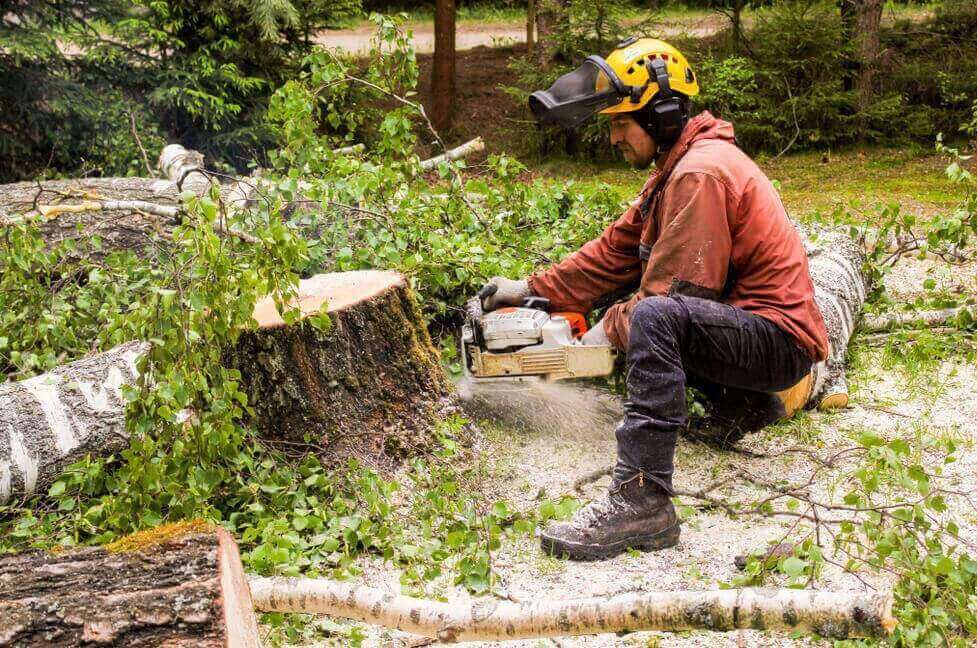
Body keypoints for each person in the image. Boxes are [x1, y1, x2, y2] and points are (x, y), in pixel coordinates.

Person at [477, 38, 829, 561]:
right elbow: (613, 252)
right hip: (746, 328)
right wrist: (532, 289)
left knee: (655, 316)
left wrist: (598, 337)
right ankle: (746, 405)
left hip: (777, 342)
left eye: (622, 123)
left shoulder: (700, 172)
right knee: (645, 309)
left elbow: (675, 294)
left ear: (661, 115)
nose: (614, 137)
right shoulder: (676, 168)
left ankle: (642, 500)